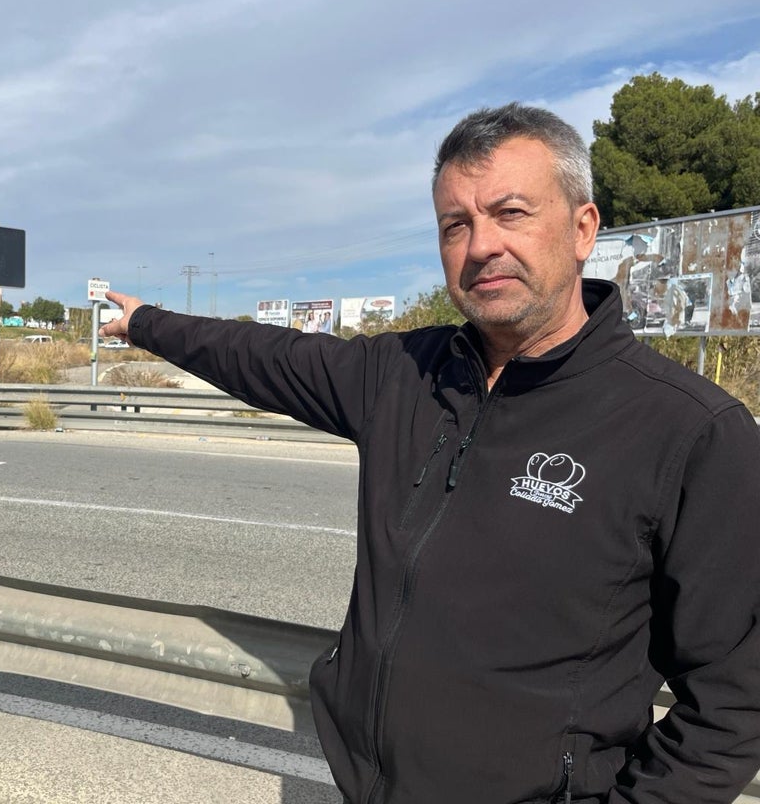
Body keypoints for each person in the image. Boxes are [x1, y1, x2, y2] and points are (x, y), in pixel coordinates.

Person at [101, 103, 760, 803]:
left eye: (510, 213)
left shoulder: (688, 429)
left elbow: (733, 701)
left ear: (582, 229)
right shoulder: (404, 375)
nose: (481, 246)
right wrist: (147, 323)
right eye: (456, 225)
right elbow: (263, 355)